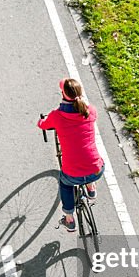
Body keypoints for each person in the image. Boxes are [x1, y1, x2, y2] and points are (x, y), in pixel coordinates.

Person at [38, 78, 105, 232]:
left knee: (66, 184)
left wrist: (41, 122)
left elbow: (43, 124)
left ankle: (69, 218)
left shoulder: (57, 116)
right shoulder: (90, 111)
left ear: (63, 94)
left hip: (73, 173)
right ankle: (91, 189)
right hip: (96, 169)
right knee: (89, 169)